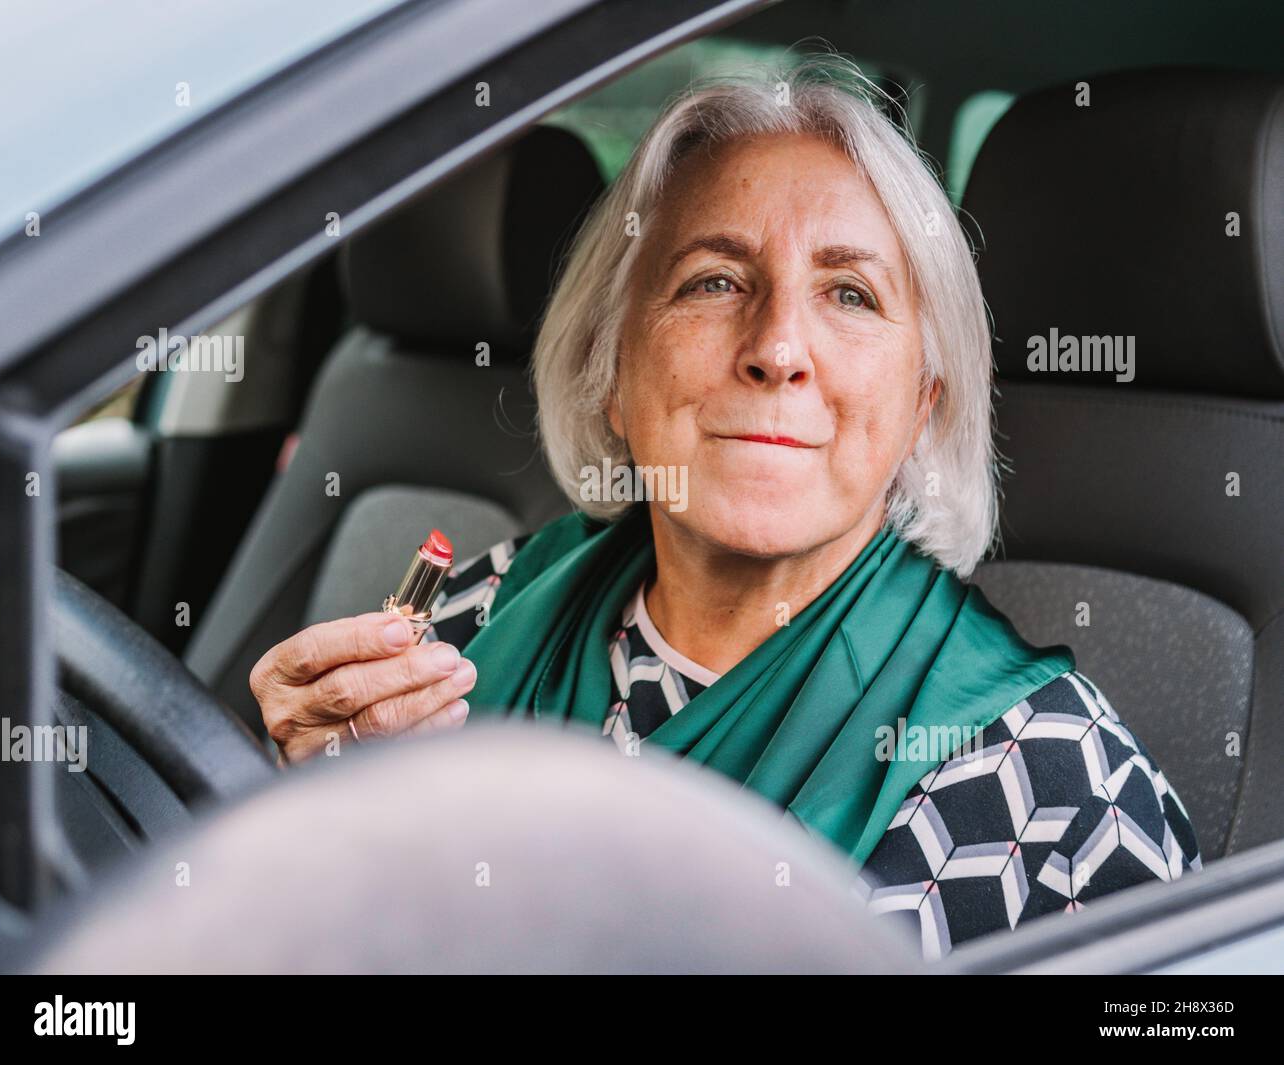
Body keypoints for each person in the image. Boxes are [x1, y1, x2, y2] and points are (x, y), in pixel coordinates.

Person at [250, 57, 1200, 959]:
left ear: (922, 407)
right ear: (612, 372)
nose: (778, 346)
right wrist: (303, 818)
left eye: (850, 293)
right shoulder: (463, 620)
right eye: (715, 281)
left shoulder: (1057, 783)